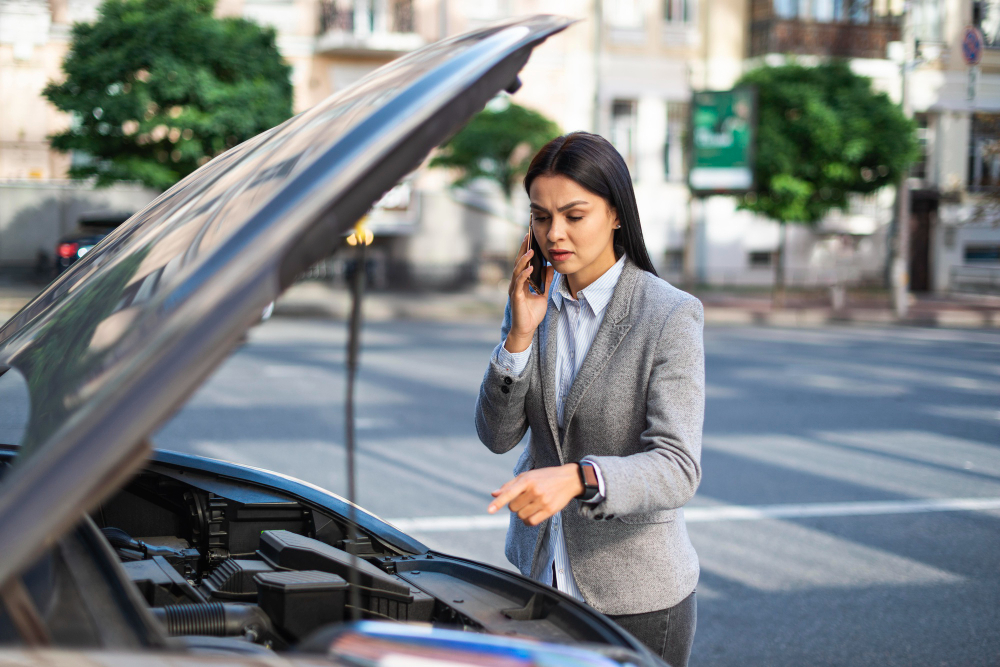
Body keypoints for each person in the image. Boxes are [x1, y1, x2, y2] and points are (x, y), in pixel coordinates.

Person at [474, 132, 705, 667]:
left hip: (636, 596)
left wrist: (580, 477)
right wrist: (518, 339)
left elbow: (678, 467)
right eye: (540, 216)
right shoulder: (533, 301)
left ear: (616, 214)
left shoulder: (669, 315)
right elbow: (497, 435)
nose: (554, 233)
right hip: (539, 580)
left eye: (574, 215)